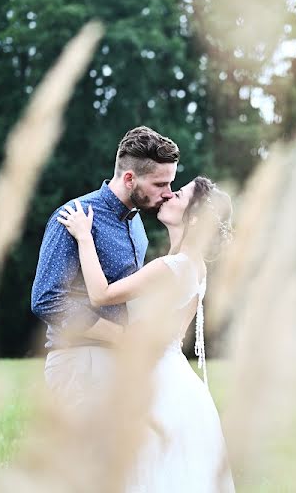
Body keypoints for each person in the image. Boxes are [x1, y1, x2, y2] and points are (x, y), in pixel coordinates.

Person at [58, 175, 235, 492]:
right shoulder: (196, 268)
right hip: (180, 384)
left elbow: (101, 294)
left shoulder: (172, 267)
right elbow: (175, 335)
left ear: (193, 217)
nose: (169, 196)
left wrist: (84, 237)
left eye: (178, 194)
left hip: (158, 385)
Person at [31, 126, 179, 408]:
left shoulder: (137, 225)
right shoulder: (75, 216)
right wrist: (118, 335)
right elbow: (46, 299)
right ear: (129, 178)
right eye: (160, 184)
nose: (168, 194)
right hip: (79, 362)